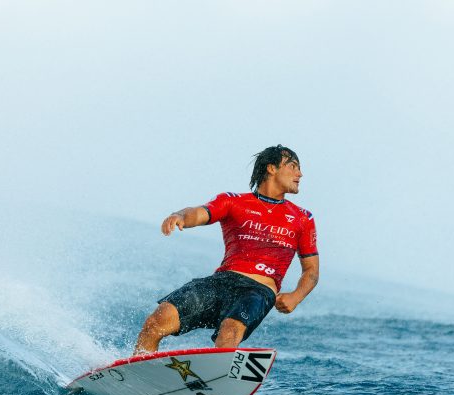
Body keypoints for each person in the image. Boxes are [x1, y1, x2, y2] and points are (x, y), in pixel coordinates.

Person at [134, 145, 319, 354]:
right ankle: (137, 375)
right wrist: (180, 216)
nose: (300, 174)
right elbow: (200, 212)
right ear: (271, 168)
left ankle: (217, 379)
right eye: (293, 166)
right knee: (156, 321)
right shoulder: (233, 201)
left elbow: (311, 271)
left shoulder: (303, 218)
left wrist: (296, 296)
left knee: (229, 333)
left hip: (258, 290)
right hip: (221, 281)